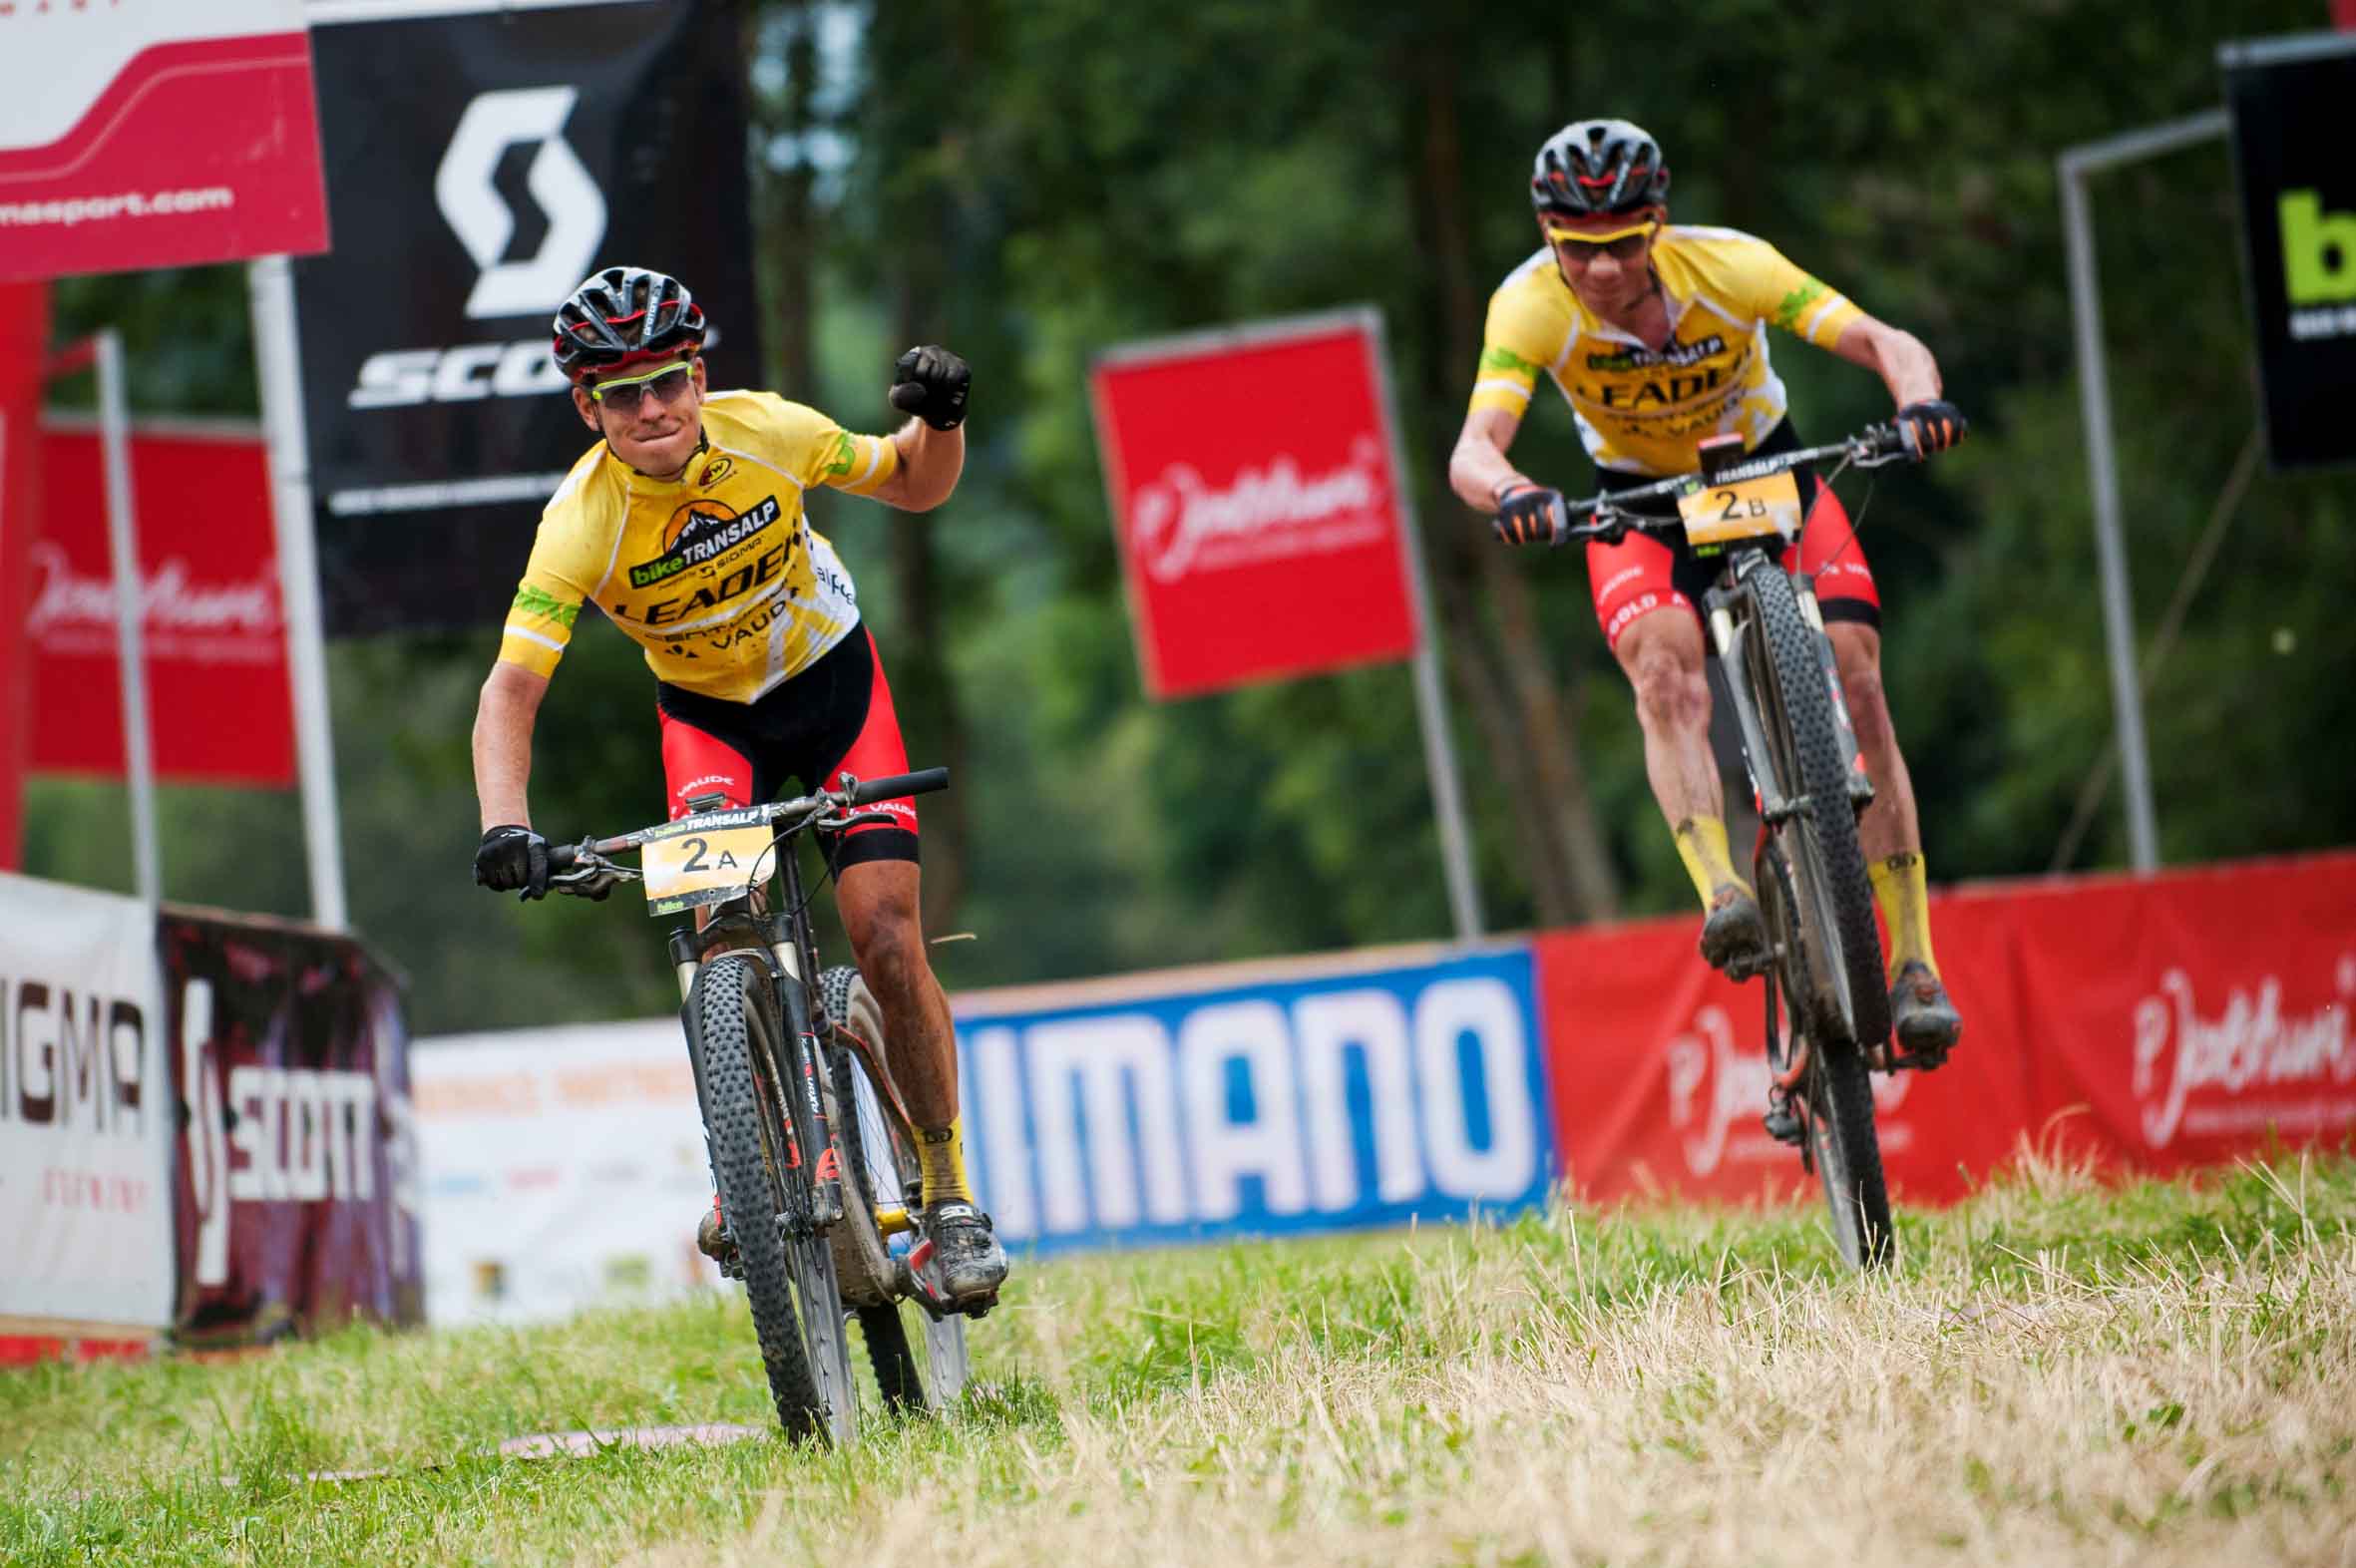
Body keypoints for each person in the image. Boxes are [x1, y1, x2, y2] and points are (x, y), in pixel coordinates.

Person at [469, 264, 1008, 1308]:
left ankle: (946, 1196)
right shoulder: (580, 519)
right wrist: (506, 824)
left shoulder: (769, 429)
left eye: (668, 382)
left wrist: (941, 419)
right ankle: (750, 1163)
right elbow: (511, 691)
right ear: (588, 408)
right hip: (710, 723)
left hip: (833, 687)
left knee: (887, 937)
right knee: (717, 929)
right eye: (622, 395)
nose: (653, 409)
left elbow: (912, 479)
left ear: (700, 376)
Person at [1447, 120, 1966, 1062]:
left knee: (1859, 680)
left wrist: (1917, 401)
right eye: (1576, 249)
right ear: (1546, 236)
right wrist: (1516, 494)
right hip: (1641, 508)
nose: (1600, 270)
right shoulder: (1527, 308)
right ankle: (1724, 892)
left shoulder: (1731, 266)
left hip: (1773, 475)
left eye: (1621, 244)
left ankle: (1915, 964)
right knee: (1663, 672)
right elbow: (1474, 451)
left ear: (1658, 225)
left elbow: (1885, 341)